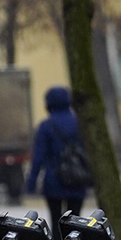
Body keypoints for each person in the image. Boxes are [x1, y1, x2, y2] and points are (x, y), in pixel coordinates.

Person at [25, 85, 87, 228]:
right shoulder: (81, 124)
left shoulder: (46, 126)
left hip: (54, 181)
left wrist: (31, 182)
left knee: (56, 220)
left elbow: (38, 157)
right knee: (75, 220)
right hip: (78, 178)